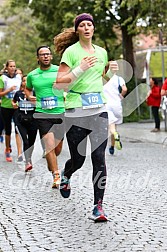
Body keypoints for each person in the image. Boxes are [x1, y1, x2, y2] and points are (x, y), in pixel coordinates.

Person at [54, 13, 114, 222]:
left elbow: (100, 78)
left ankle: (98, 207)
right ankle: (67, 174)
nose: (87, 27)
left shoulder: (102, 52)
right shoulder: (71, 52)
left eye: (90, 24)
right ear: (77, 29)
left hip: (98, 110)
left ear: (93, 28)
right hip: (76, 112)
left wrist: (111, 73)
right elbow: (60, 84)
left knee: (99, 159)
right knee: (79, 160)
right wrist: (80, 68)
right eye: (83, 25)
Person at [25, 45, 65, 188]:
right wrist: (30, 97)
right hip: (42, 113)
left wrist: (62, 87)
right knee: (49, 145)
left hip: (60, 112)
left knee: (57, 149)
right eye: (42, 55)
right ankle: (56, 175)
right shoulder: (32, 75)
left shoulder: (59, 70)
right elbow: (27, 89)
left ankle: (51, 161)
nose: (46, 56)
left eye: (48, 54)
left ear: (51, 56)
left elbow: (70, 86)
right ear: (38, 58)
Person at [12, 75, 38, 172]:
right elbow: (13, 101)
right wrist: (14, 104)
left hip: (33, 121)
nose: (26, 83)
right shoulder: (18, 93)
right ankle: (27, 162)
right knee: (25, 141)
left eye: (28, 81)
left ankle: (29, 158)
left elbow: (40, 104)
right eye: (24, 81)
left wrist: (34, 101)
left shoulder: (35, 93)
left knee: (31, 143)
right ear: (21, 82)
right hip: (20, 121)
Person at [0, 60, 22, 162]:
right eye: (11, 66)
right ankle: (8, 149)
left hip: (16, 107)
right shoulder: (2, 78)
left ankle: (19, 153)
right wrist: (8, 90)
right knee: (8, 129)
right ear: (7, 68)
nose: (13, 68)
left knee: (18, 128)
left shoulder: (18, 77)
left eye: (14, 66)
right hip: (5, 106)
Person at [104, 72, 127, 155]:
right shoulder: (119, 78)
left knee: (111, 127)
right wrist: (121, 96)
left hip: (107, 104)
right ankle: (112, 146)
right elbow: (124, 89)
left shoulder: (102, 78)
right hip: (117, 104)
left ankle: (114, 134)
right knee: (114, 126)